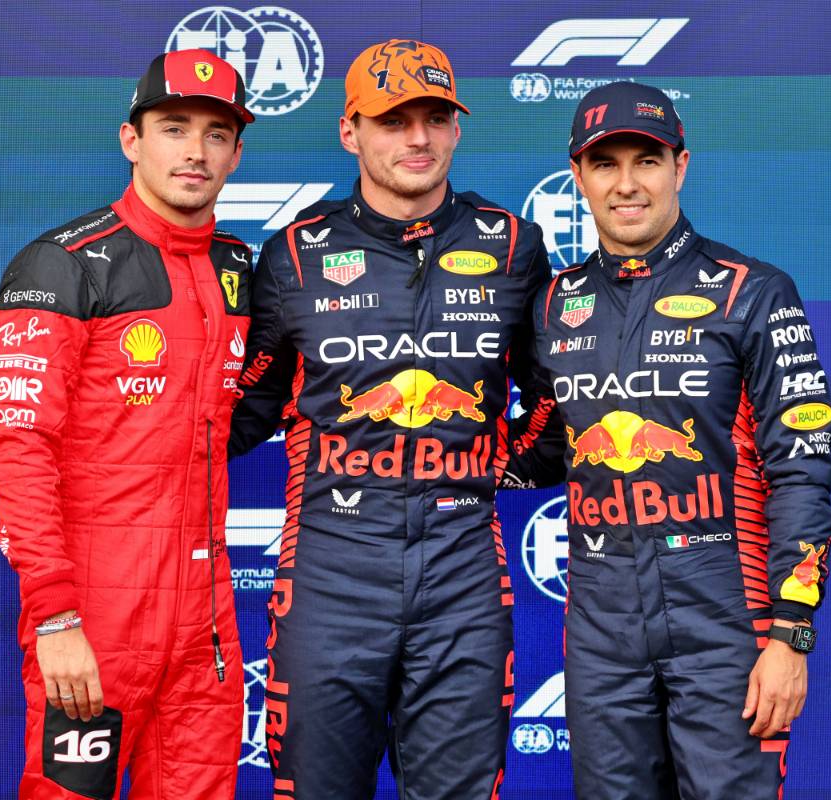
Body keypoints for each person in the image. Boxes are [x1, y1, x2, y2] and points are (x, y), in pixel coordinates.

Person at [229, 38, 556, 800]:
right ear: (351, 131)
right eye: (392, 119)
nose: (417, 138)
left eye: (435, 117)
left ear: (456, 128)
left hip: (463, 575)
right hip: (328, 573)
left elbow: (553, 401)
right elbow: (245, 407)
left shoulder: (513, 248)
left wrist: (489, 469)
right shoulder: (294, 256)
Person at [519, 82, 831, 798]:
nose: (627, 184)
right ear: (578, 177)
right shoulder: (551, 304)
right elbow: (542, 445)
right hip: (600, 624)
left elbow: (803, 472)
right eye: (605, 165)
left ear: (680, 166)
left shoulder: (754, 292)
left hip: (729, 614)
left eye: (647, 160)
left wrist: (791, 635)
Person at [0, 49, 255, 800]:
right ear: (132, 140)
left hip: (206, 625)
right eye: (174, 128)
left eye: (216, 134)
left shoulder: (237, 267)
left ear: (236, 153)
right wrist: (56, 618)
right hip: (96, 619)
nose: (195, 151)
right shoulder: (61, 264)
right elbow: (19, 453)